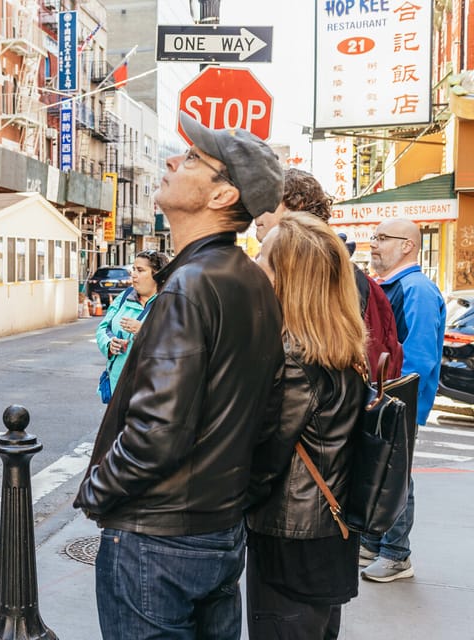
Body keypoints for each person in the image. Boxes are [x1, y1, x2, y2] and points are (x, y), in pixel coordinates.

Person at [74, 112, 285, 639]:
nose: (173, 160)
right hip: (216, 529)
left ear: (221, 197)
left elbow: (157, 432)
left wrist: (98, 490)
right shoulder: (250, 282)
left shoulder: (188, 287)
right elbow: (276, 416)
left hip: (157, 539)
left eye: (193, 158)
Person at [247, 213, 367, 639]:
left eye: (263, 257)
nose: (255, 265)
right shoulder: (340, 346)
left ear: (288, 278)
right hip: (327, 531)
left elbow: (264, 459)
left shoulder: (295, 358)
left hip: (291, 536)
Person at [360, 217, 446, 582]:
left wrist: (390, 399)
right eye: (374, 237)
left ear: (407, 245)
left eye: (382, 238)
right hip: (387, 396)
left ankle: (396, 554)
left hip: (398, 399)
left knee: (396, 475)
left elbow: (419, 358)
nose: (374, 244)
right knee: (382, 467)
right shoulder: (395, 285)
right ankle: (376, 542)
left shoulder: (417, 290)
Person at [256, 168, 402, 379]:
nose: (256, 214)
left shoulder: (339, 278)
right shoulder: (341, 273)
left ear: (297, 206)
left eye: (267, 204)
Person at [94, 250, 170, 400]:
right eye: (133, 269)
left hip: (152, 389)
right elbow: (104, 328)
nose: (133, 275)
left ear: (157, 274)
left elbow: (177, 341)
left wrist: (144, 330)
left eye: (140, 270)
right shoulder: (124, 297)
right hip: (118, 385)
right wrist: (110, 344)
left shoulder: (169, 302)